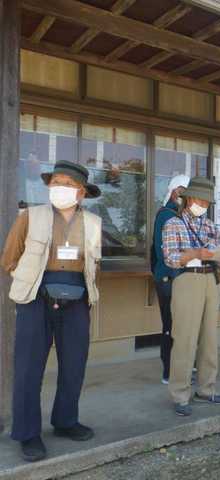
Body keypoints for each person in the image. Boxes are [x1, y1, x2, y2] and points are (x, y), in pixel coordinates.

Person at [1, 161, 102, 462]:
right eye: (55, 182)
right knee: (29, 367)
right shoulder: (30, 216)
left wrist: (81, 288)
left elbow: (94, 263)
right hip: (35, 295)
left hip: (77, 297)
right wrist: (33, 280)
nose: (59, 188)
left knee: (74, 364)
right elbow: (9, 257)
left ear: (81, 192)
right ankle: (28, 433)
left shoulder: (93, 223)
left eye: (68, 184)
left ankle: (66, 421)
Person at [162, 177, 220, 416]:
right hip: (187, 279)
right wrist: (196, 252)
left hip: (210, 279)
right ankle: (179, 394)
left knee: (210, 338)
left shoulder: (211, 226)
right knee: (184, 338)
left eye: (206, 201)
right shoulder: (173, 223)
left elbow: (218, 255)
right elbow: (170, 258)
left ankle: (206, 389)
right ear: (188, 199)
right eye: (199, 199)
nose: (202, 204)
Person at [151, 174, 190, 385]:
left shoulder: (179, 214)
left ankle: (181, 367)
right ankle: (168, 370)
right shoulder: (167, 215)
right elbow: (164, 251)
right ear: (176, 191)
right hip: (168, 277)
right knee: (170, 324)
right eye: (184, 191)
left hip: (179, 277)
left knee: (181, 324)